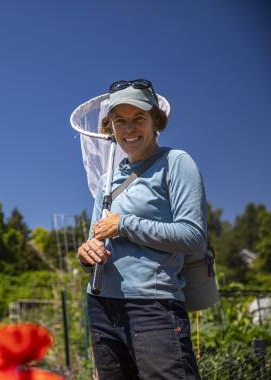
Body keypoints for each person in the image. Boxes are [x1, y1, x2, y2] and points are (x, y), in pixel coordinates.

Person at [77, 79, 205, 379]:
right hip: (102, 305)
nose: (129, 129)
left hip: (153, 307)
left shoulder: (176, 163)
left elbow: (193, 236)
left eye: (138, 119)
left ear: (155, 121)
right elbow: (95, 239)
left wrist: (124, 224)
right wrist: (85, 253)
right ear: (110, 128)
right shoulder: (107, 181)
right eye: (119, 121)